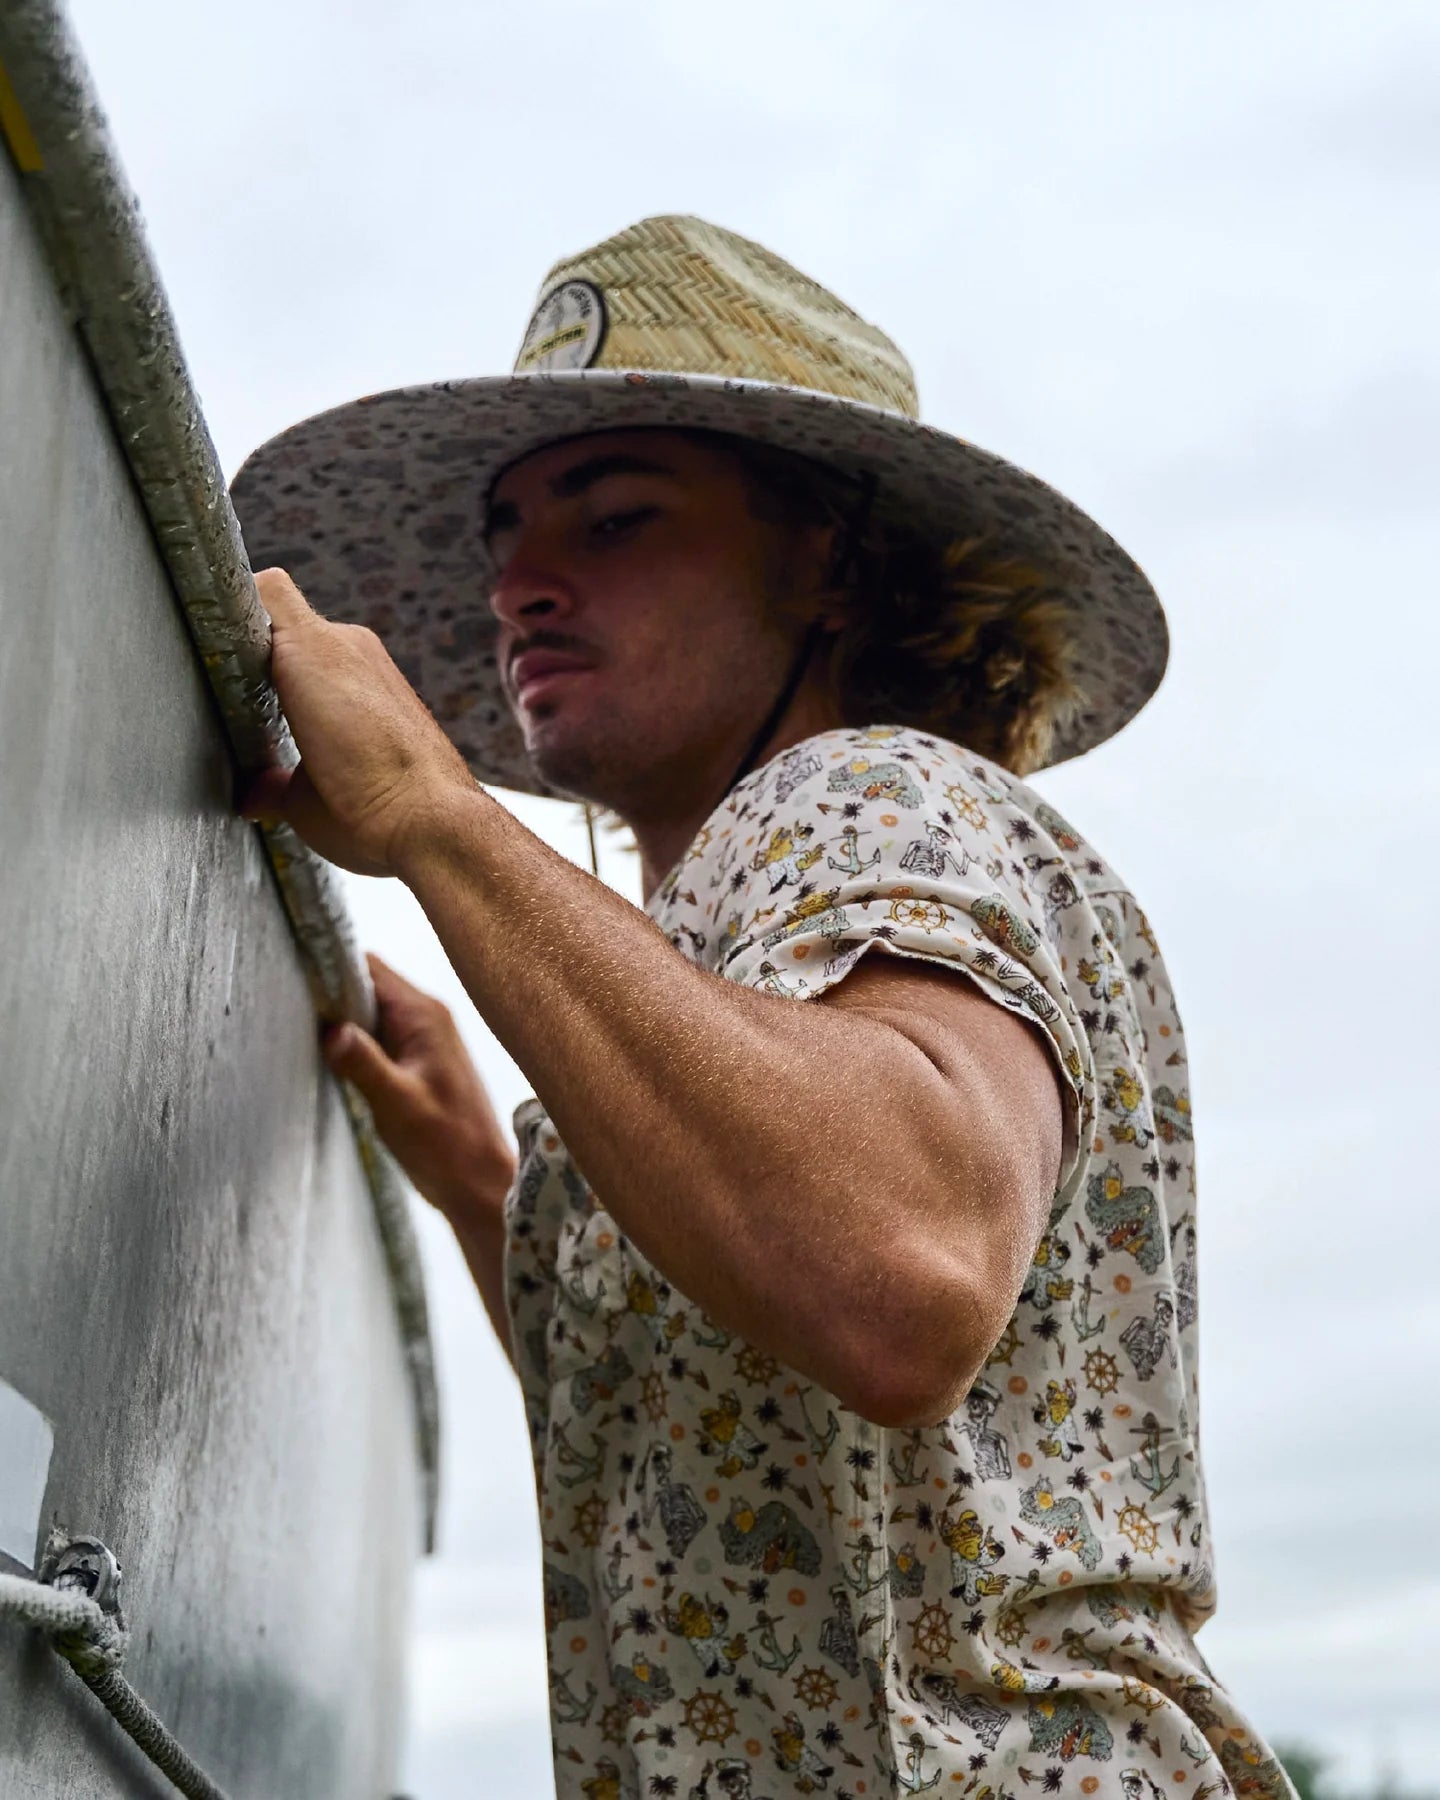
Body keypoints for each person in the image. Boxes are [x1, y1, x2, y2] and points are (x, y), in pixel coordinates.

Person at [233, 216, 1292, 1799]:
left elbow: (897, 1270)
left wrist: (442, 824)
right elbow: (749, 1455)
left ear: (828, 556)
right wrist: (494, 1195)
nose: (520, 580)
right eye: (508, 529)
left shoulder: (869, 792)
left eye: (617, 518)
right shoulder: (751, 915)